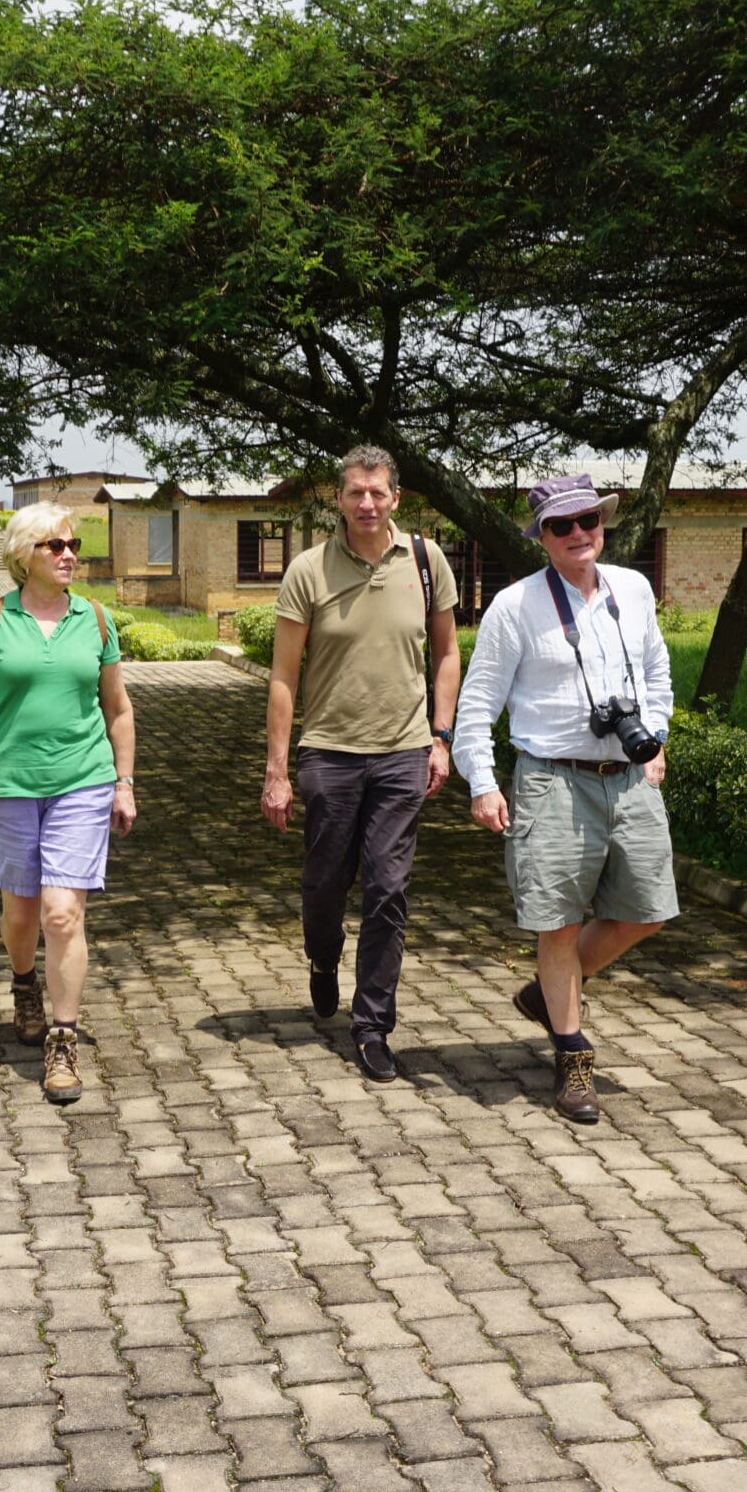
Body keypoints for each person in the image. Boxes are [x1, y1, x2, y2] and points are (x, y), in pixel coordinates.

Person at [452, 474, 677, 1124]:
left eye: (588, 521)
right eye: (561, 525)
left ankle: (549, 992)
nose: (578, 533)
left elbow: (657, 671)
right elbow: (480, 698)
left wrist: (655, 738)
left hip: (629, 775)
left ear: (602, 524)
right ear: (543, 537)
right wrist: (483, 780)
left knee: (649, 909)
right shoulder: (515, 606)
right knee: (558, 921)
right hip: (551, 776)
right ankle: (573, 1055)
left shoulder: (632, 590)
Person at [261, 445, 461, 1082]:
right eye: (355, 493)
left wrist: (440, 736)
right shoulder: (308, 570)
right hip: (329, 755)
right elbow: (284, 676)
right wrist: (276, 771)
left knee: (388, 891)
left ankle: (372, 1025)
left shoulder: (427, 563)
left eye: (377, 492)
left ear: (395, 497)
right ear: (339, 500)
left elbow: (448, 654)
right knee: (324, 888)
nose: (367, 503)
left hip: (403, 753)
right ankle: (323, 959)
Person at [0, 502, 137, 1104]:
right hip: (7, 785)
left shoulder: (97, 619)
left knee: (62, 913)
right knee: (22, 913)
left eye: (73, 544)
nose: (69, 554)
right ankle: (24, 982)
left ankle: (62, 1039)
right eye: (55, 546)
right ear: (25, 554)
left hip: (82, 781)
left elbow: (119, 709)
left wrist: (124, 781)